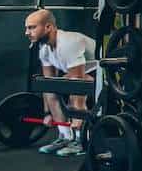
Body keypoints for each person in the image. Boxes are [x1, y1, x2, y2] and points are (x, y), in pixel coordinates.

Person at [23, 10, 97, 157]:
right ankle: (65, 136)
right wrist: (47, 113)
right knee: (51, 88)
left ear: (48, 27)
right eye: (26, 28)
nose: (27, 32)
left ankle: (80, 139)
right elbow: (48, 84)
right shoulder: (44, 49)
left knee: (75, 85)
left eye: (32, 27)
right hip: (78, 74)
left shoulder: (68, 43)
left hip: (104, 73)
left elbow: (78, 82)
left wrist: (78, 117)